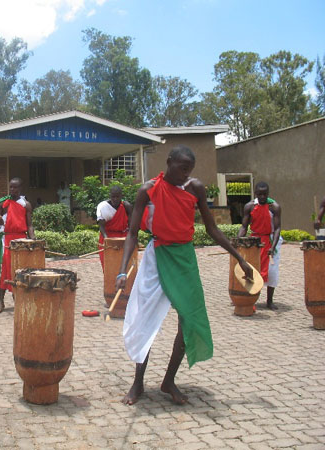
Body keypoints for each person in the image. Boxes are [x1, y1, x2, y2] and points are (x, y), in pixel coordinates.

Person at [115, 146, 254, 405]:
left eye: (188, 170)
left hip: (185, 258)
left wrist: (240, 258)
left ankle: (169, 381)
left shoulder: (195, 188)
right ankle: (138, 383)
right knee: (143, 318)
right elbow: (132, 234)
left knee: (189, 320)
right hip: (157, 257)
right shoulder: (148, 190)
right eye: (181, 168)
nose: (184, 174)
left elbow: (212, 229)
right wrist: (122, 270)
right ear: (168, 163)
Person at [0, 177, 35, 313]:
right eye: (11, 187)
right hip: (7, 240)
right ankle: (1, 301)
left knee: (20, 270)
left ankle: (19, 299)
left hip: (21, 239)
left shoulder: (26, 204)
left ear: (21, 189)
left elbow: (30, 225)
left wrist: (33, 240)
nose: (12, 190)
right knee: (6, 270)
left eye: (15, 187)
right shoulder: (3, 204)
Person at [238, 182, 283, 310]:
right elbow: (243, 227)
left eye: (265, 194)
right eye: (259, 194)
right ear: (255, 194)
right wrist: (238, 241)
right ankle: (251, 298)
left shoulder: (274, 207)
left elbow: (278, 228)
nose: (262, 197)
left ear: (268, 193)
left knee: (272, 271)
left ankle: (269, 301)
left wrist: (273, 247)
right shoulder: (249, 207)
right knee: (252, 269)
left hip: (270, 239)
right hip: (255, 241)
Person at [97, 185, 132, 270]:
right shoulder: (103, 207)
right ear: (110, 196)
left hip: (123, 237)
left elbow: (132, 225)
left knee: (124, 264)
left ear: (121, 196)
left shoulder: (127, 206)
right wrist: (107, 240)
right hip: (107, 237)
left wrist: (131, 239)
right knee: (108, 266)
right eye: (113, 197)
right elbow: (101, 226)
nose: (115, 199)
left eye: (117, 196)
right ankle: (110, 283)